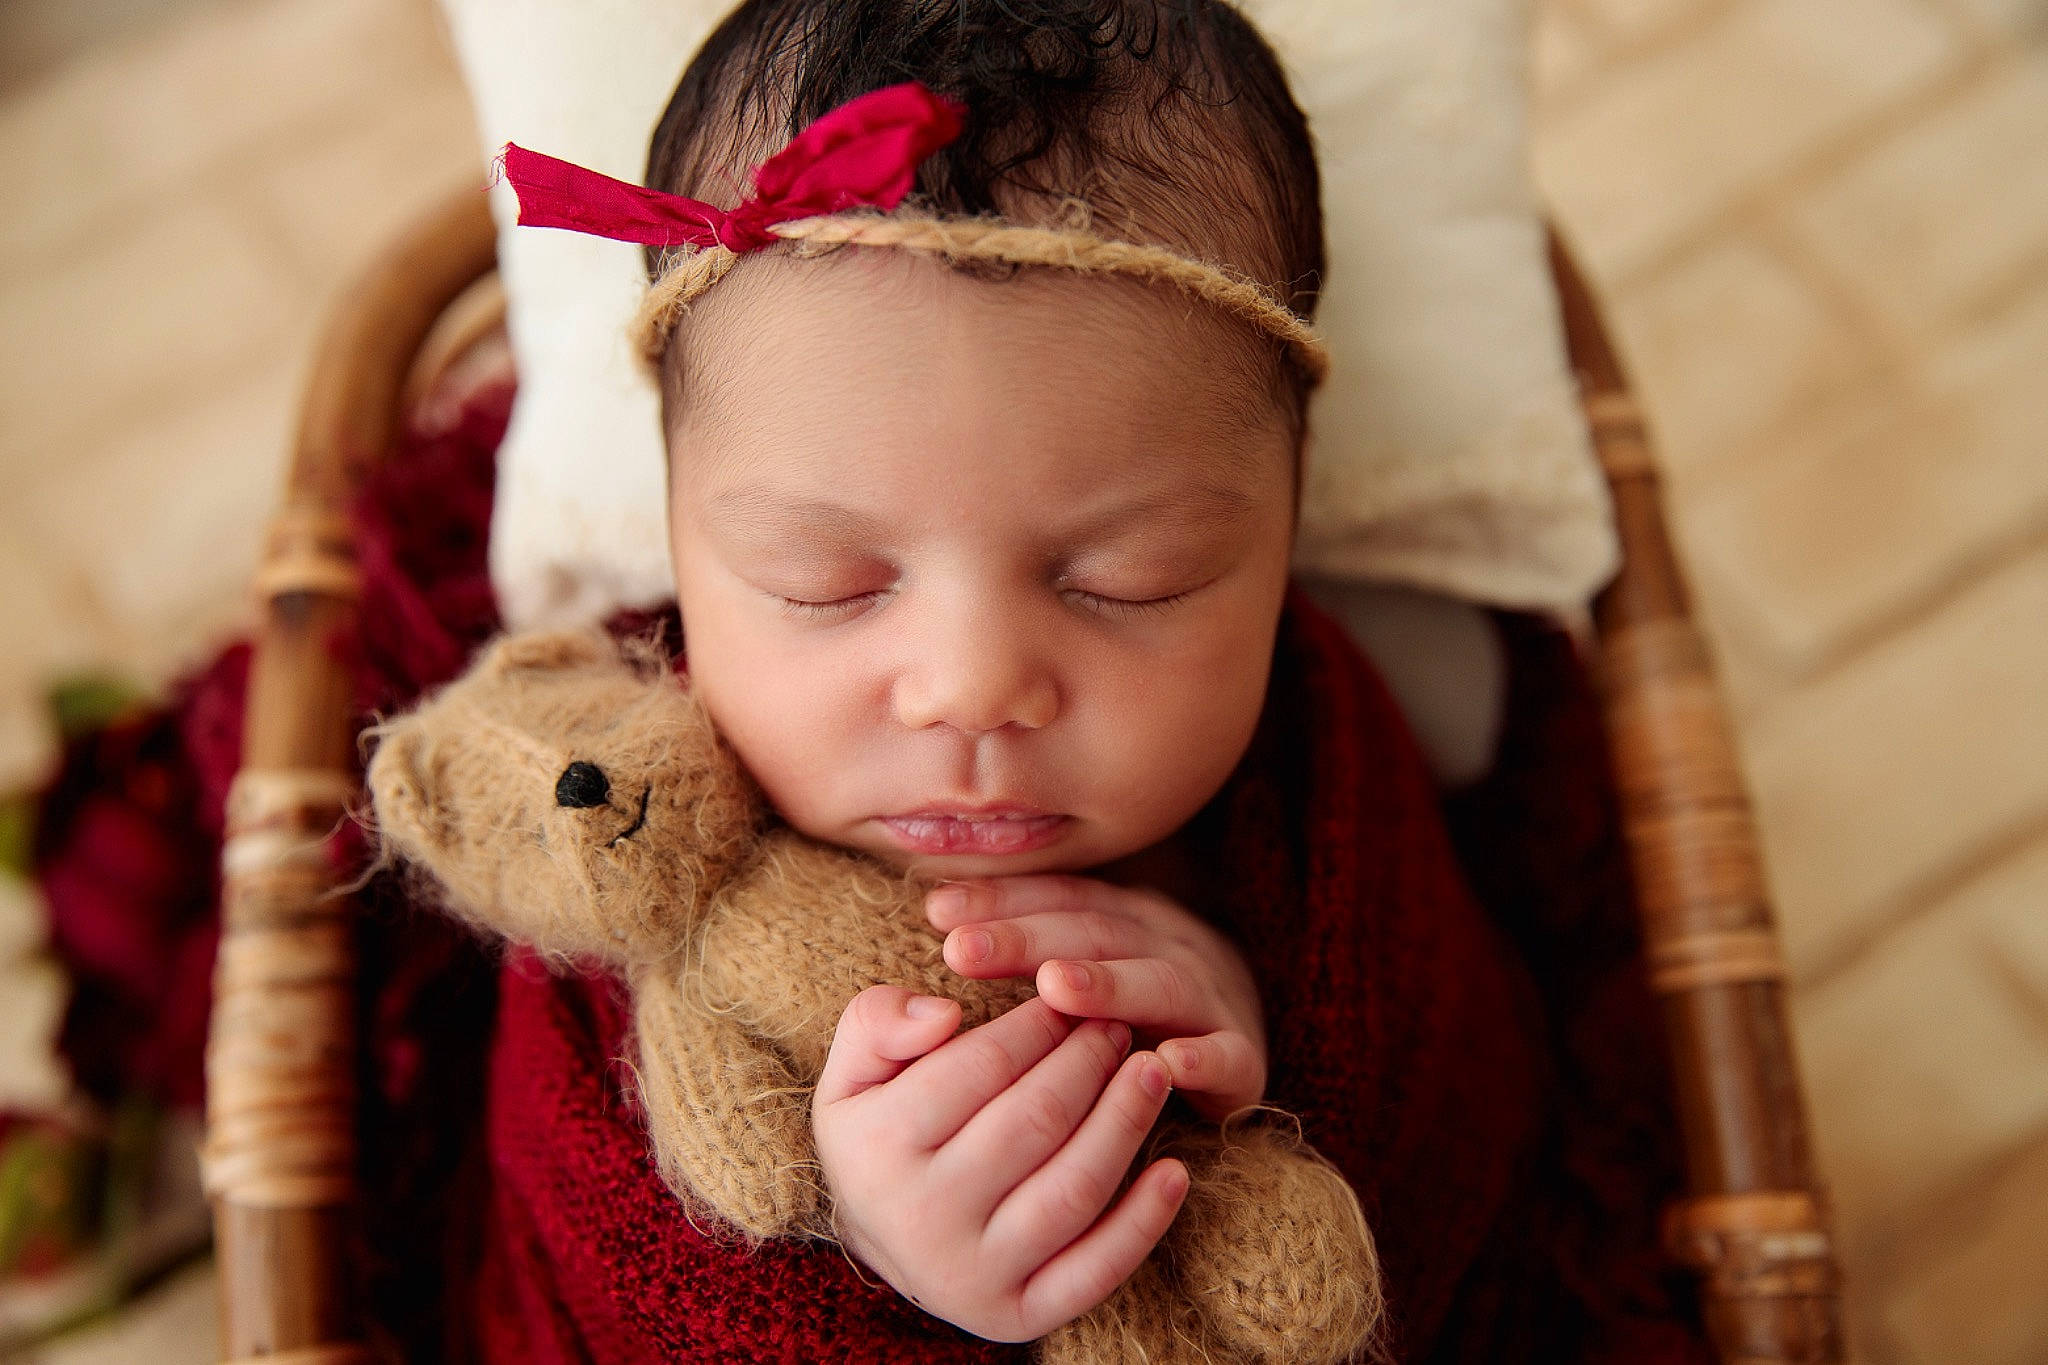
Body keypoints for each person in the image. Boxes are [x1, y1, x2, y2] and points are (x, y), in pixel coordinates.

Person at [473, 1, 1713, 1359]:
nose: (971, 688)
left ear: (1286, 523)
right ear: (679, 531)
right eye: (825, 582)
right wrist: (879, 1262)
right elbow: (572, 1215)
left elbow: (1484, 1094)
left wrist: (1275, 1059)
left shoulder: (1320, 778)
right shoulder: (614, 811)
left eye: (1129, 579)